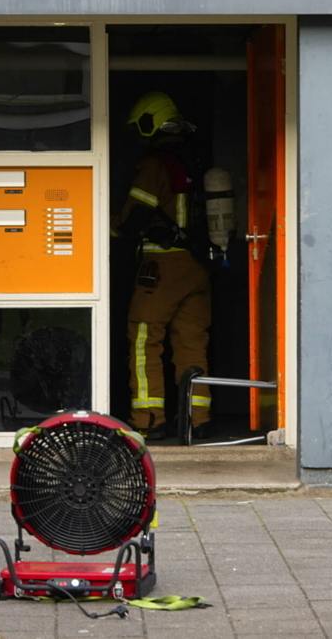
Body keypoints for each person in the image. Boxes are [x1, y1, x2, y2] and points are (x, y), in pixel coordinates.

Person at [112, 92, 213, 441]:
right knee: (191, 343)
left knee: (143, 339)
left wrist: (106, 228)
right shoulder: (194, 162)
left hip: (163, 265)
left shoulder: (155, 165)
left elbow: (134, 218)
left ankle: (149, 419)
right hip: (196, 266)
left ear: (149, 124)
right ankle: (197, 419)